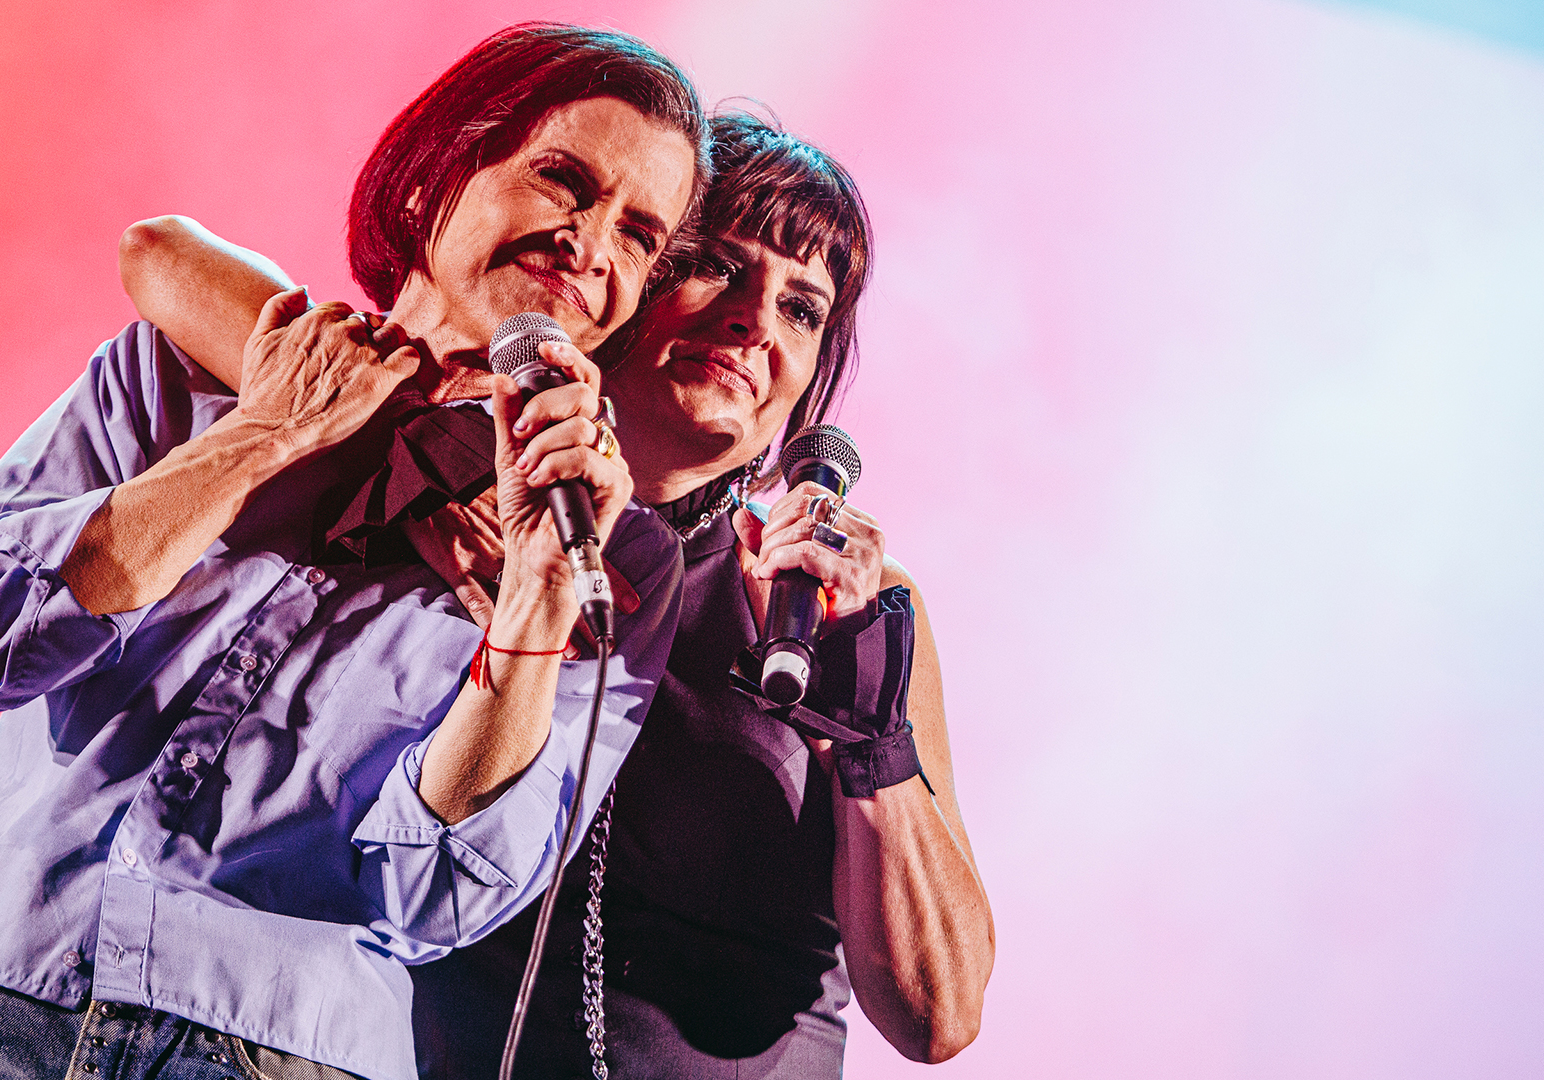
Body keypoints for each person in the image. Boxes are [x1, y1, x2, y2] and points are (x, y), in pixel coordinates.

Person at [0, 24, 709, 1080]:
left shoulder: (605, 545)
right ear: (442, 170)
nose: (590, 242)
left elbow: (441, 895)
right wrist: (266, 432)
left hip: (284, 1054)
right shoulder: (191, 372)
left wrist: (537, 606)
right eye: (562, 180)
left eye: (639, 233)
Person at [121, 110, 995, 1079]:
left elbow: (939, 1015)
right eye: (717, 265)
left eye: (802, 307)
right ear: (625, 284)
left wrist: (875, 751)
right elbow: (164, 261)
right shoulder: (474, 478)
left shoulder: (839, 605)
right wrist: (410, 439)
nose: (753, 319)